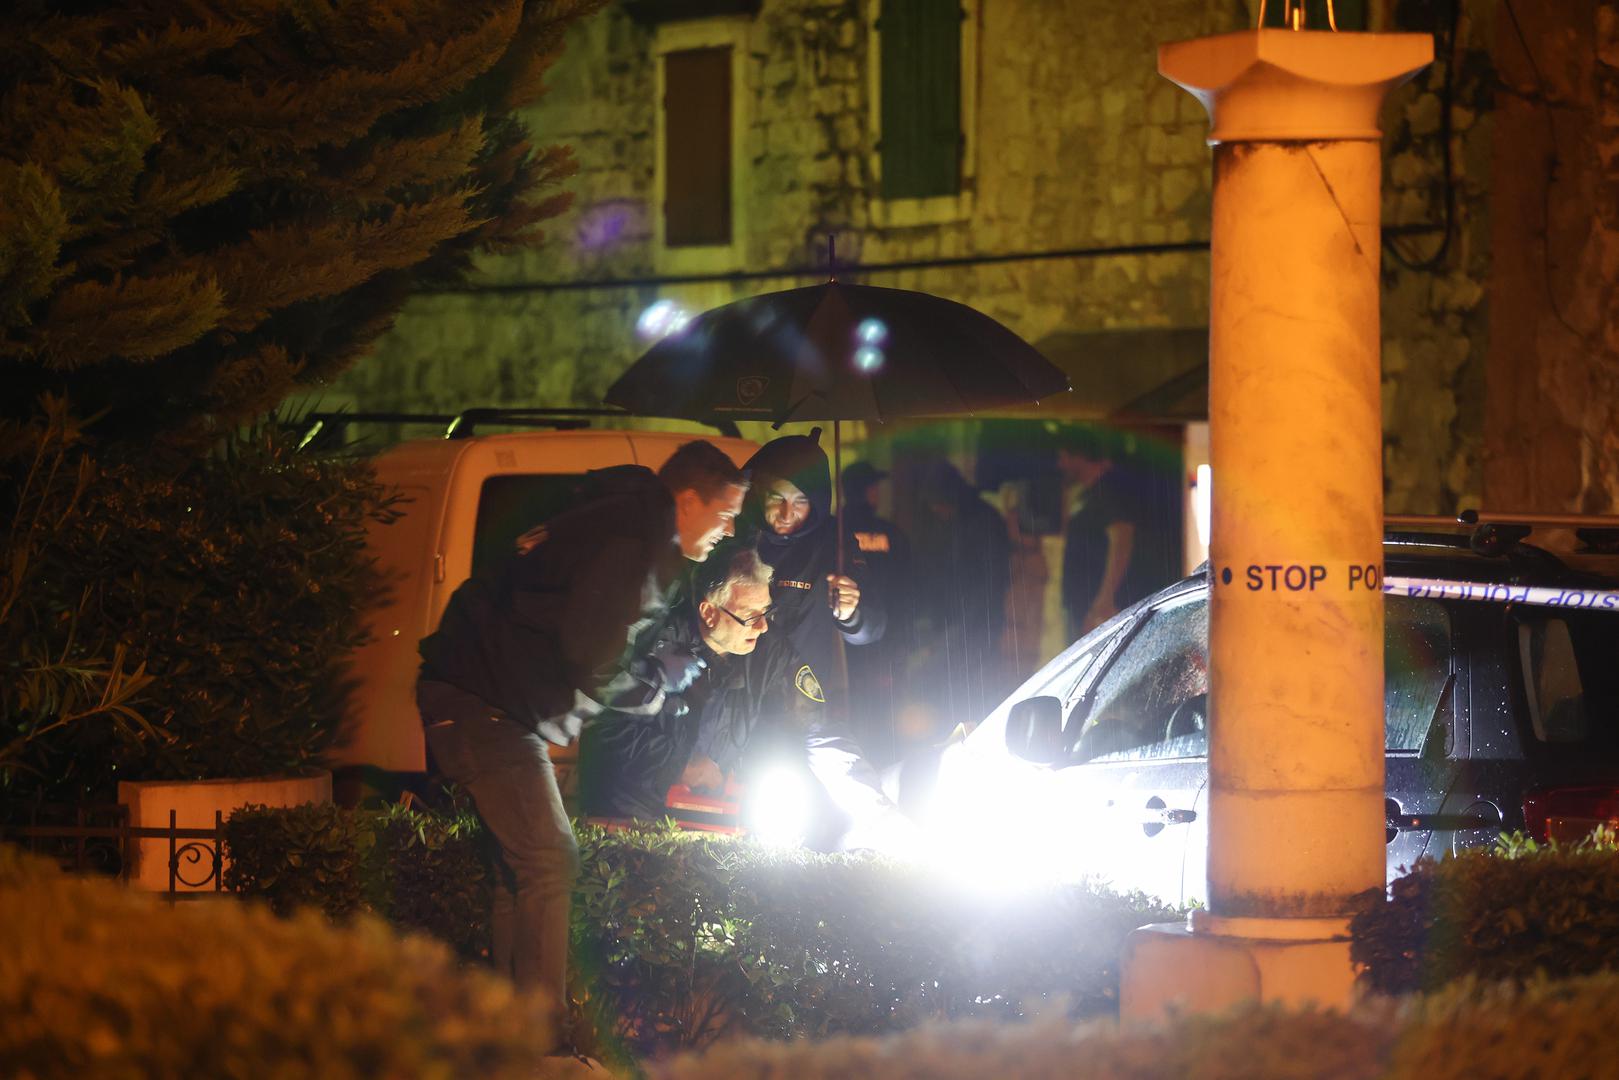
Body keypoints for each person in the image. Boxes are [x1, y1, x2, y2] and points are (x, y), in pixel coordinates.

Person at [414, 440, 746, 1030]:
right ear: (689, 500)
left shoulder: (628, 524)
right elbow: (592, 658)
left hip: (487, 695)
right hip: (483, 700)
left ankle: (511, 1024)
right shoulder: (632, 543)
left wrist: (651, 669)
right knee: (549, 858)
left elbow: (588, 633)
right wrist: (655, 684)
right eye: (724, 515)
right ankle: (543, 1035)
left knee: (522, 866)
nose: (728, 531)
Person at [580, 541, 910, 852]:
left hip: (715, 824)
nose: (762, 626)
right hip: (627, 820)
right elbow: (605, 727)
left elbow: (817, 727)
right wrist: (679, 765)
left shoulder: (769, 649)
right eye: (750, 616)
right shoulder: (653, 643)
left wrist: (876, 810)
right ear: (709, 612)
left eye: (766, 611)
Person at [740, 431, 885, 716]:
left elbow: (874, 628)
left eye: (800, 501)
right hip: (741, 696)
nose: (787, 513)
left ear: (816, 501)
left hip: (802, 700)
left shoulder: (833, 540)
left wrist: (851, 614)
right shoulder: (739, 535)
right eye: (776, 498)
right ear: (758, 494)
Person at [910, 461, 1012, 732]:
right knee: (950, 684)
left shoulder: (982, 520)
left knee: (970, 687)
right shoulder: (953, 521)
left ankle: (969, 735)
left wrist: (967, 621)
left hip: (975, 623)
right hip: (956, 620)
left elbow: (991, 578)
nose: (935, 510)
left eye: (937, 503)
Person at [840, 460, 912, 765]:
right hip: (885, 645)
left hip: (841, 645)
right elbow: (909, 589)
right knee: (884, 713)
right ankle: (880, 764)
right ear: (868, 490)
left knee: (845, 711)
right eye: (874, 487)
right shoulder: (890, 533)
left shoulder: (834, 531)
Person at [1058, 427, 1155, 638]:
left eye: (1064, 457)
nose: (1060, 465)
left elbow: (1122, 540)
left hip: (1100, 610)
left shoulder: (1108, 490)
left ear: (1078, 456)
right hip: (1086, 606)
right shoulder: (1089, 494)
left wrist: (1104, 601)